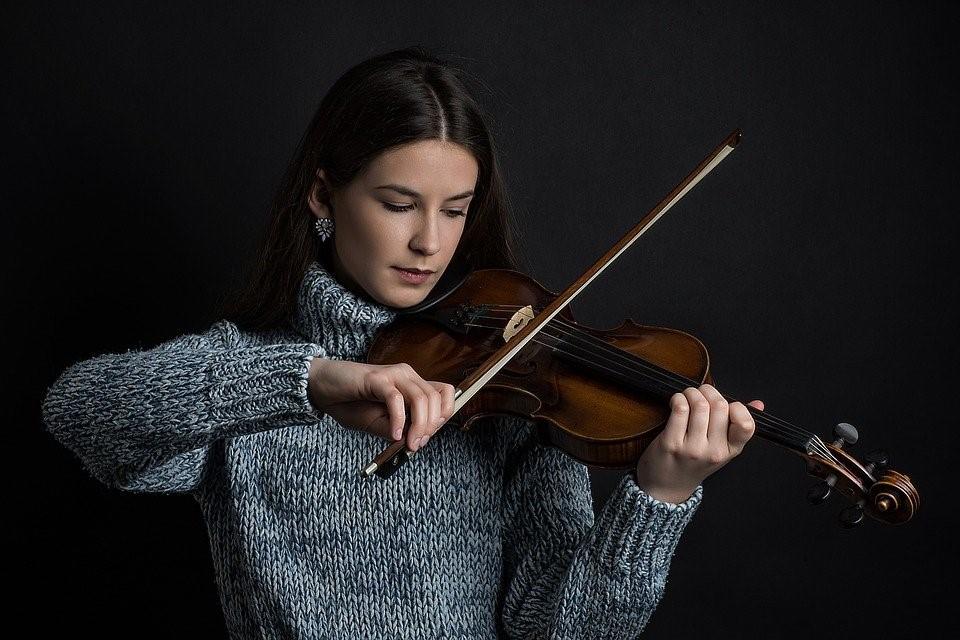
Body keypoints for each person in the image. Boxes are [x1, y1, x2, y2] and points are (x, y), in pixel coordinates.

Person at [41, 46, 763, 639]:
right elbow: (77, 410)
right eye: (398, 205)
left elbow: (556, 629)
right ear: (323, 197)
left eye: (455, 211)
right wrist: (311, 381)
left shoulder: (518, 388)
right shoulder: (242, 377)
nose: (430, 242)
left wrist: (659, 496)